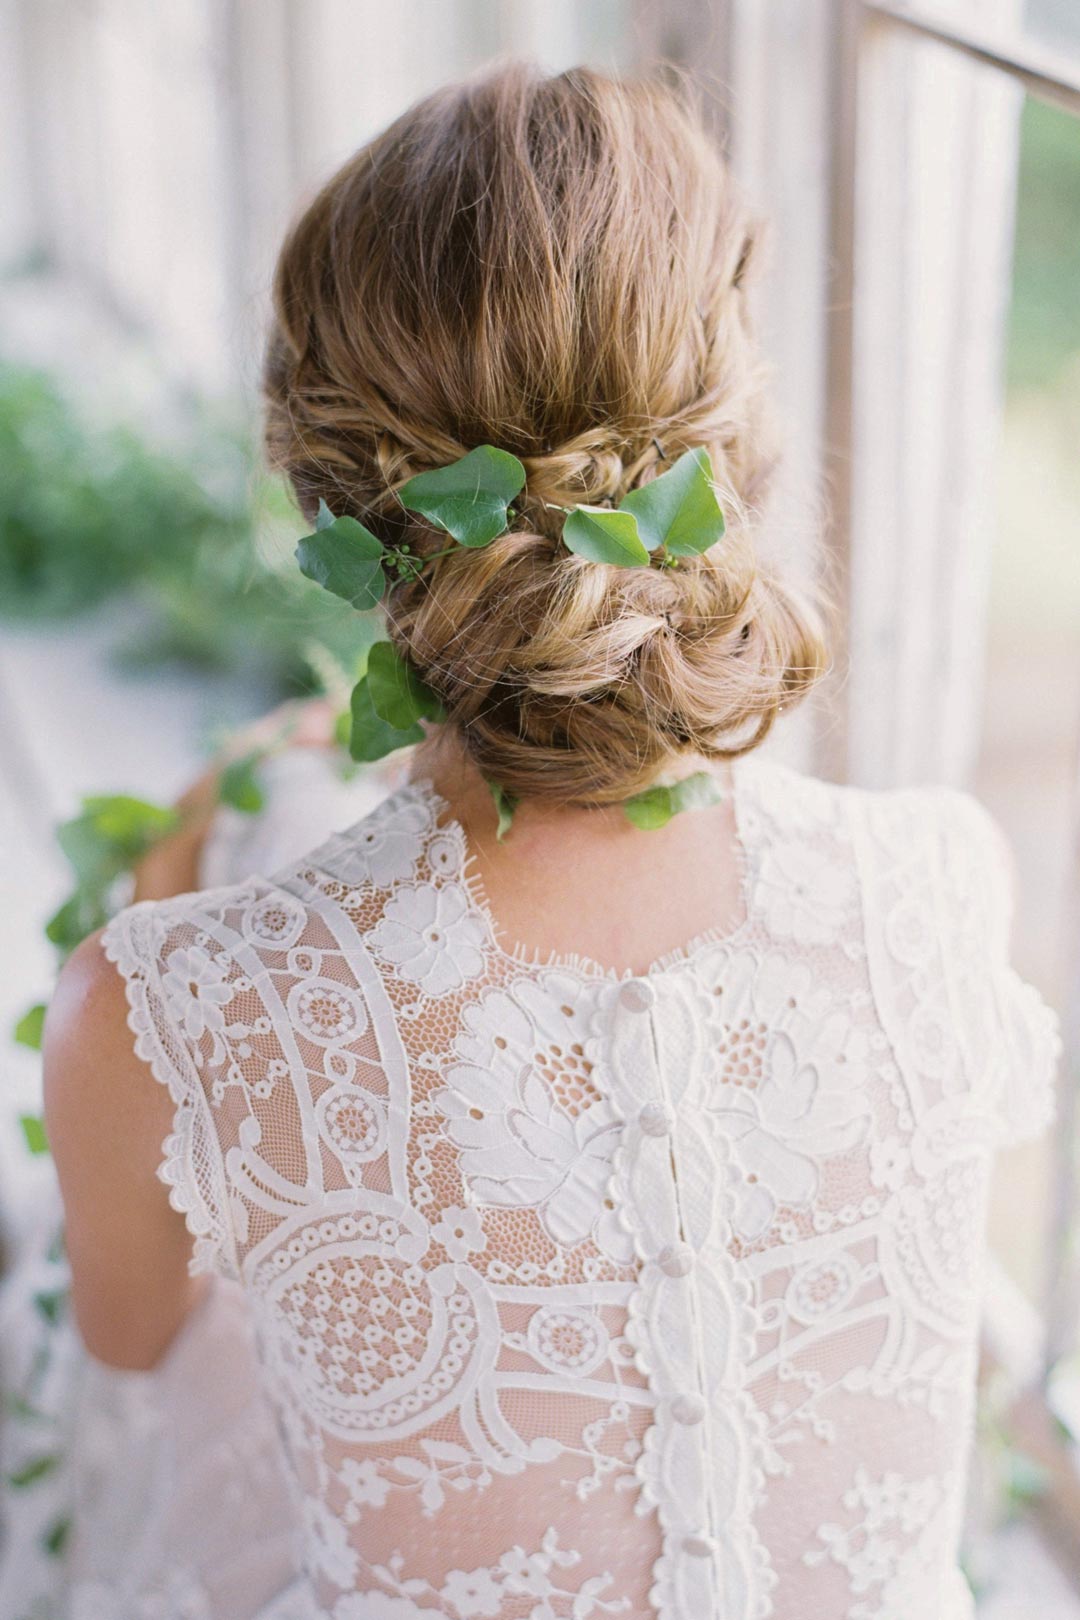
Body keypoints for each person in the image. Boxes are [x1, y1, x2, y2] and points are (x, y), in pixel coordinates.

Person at [43, 62, 1059, 1620]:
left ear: (318, 489)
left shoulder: (160, 1007)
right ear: (736, 440)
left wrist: (178, 906)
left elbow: (126, 1337)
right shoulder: (936, 877)